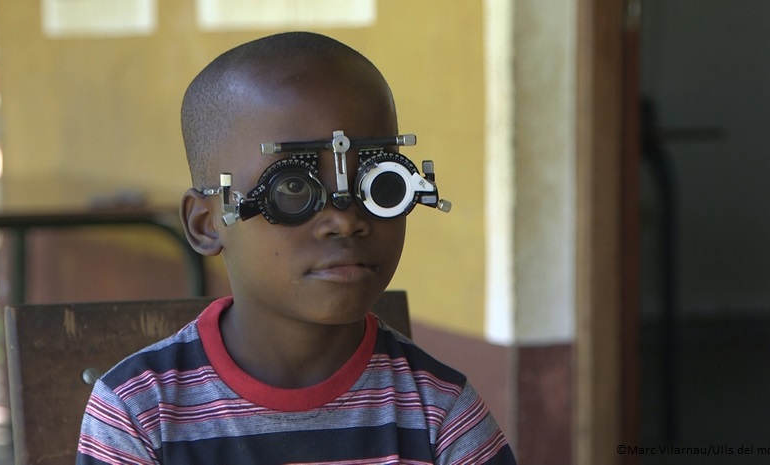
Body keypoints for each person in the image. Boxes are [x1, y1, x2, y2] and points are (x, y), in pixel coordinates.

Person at [76, 31, 517, 464]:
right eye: (292, 187)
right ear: (206, 223)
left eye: (381, 182)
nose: (345, 219)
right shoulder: (140, 415)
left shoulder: (442, 415)